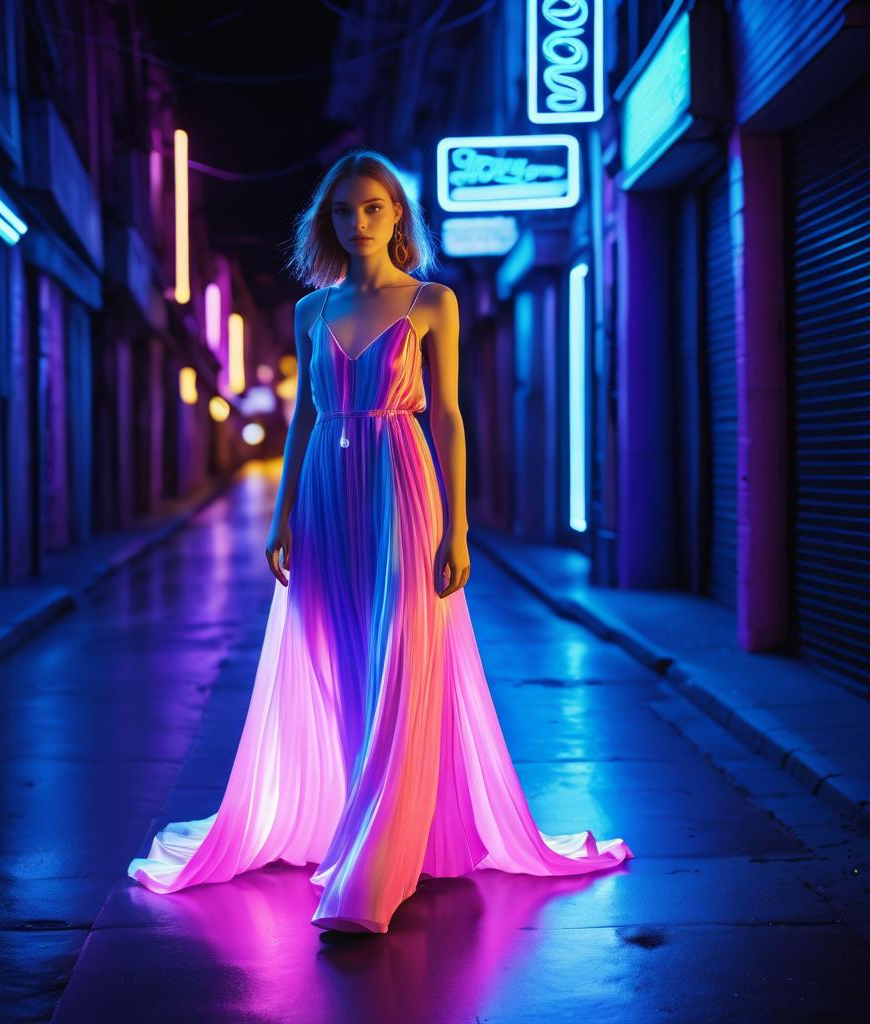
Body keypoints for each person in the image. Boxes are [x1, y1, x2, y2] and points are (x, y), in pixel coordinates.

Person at [127, 149, 633, 938]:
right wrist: (282, 511)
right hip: (328, 494)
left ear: (398, 216)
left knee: (399, 656)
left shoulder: (433, 302)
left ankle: (374, 868)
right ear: (326, 222)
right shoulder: (311, 312)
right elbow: (301, 417)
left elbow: (450, 418)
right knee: (338, 659)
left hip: (403, 487)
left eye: (372, 208)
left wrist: (458, 526)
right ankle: (374, 822)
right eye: (343, 211)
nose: (358, 222)